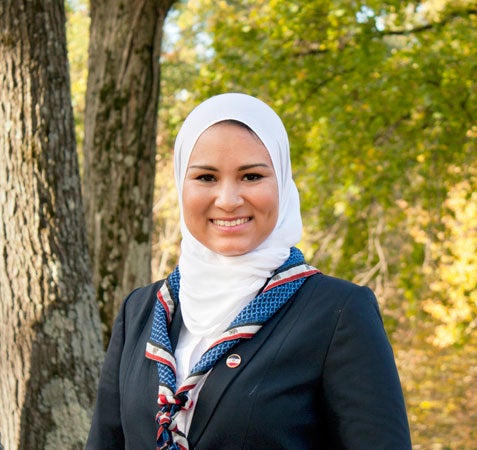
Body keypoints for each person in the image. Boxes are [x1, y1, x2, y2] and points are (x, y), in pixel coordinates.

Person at [86, 93, 412, 449]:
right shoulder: (142, 311)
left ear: (283, 184)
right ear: (182, 184)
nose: (228, 199)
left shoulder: (338, 312)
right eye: (207, 177)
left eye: (252, 176)